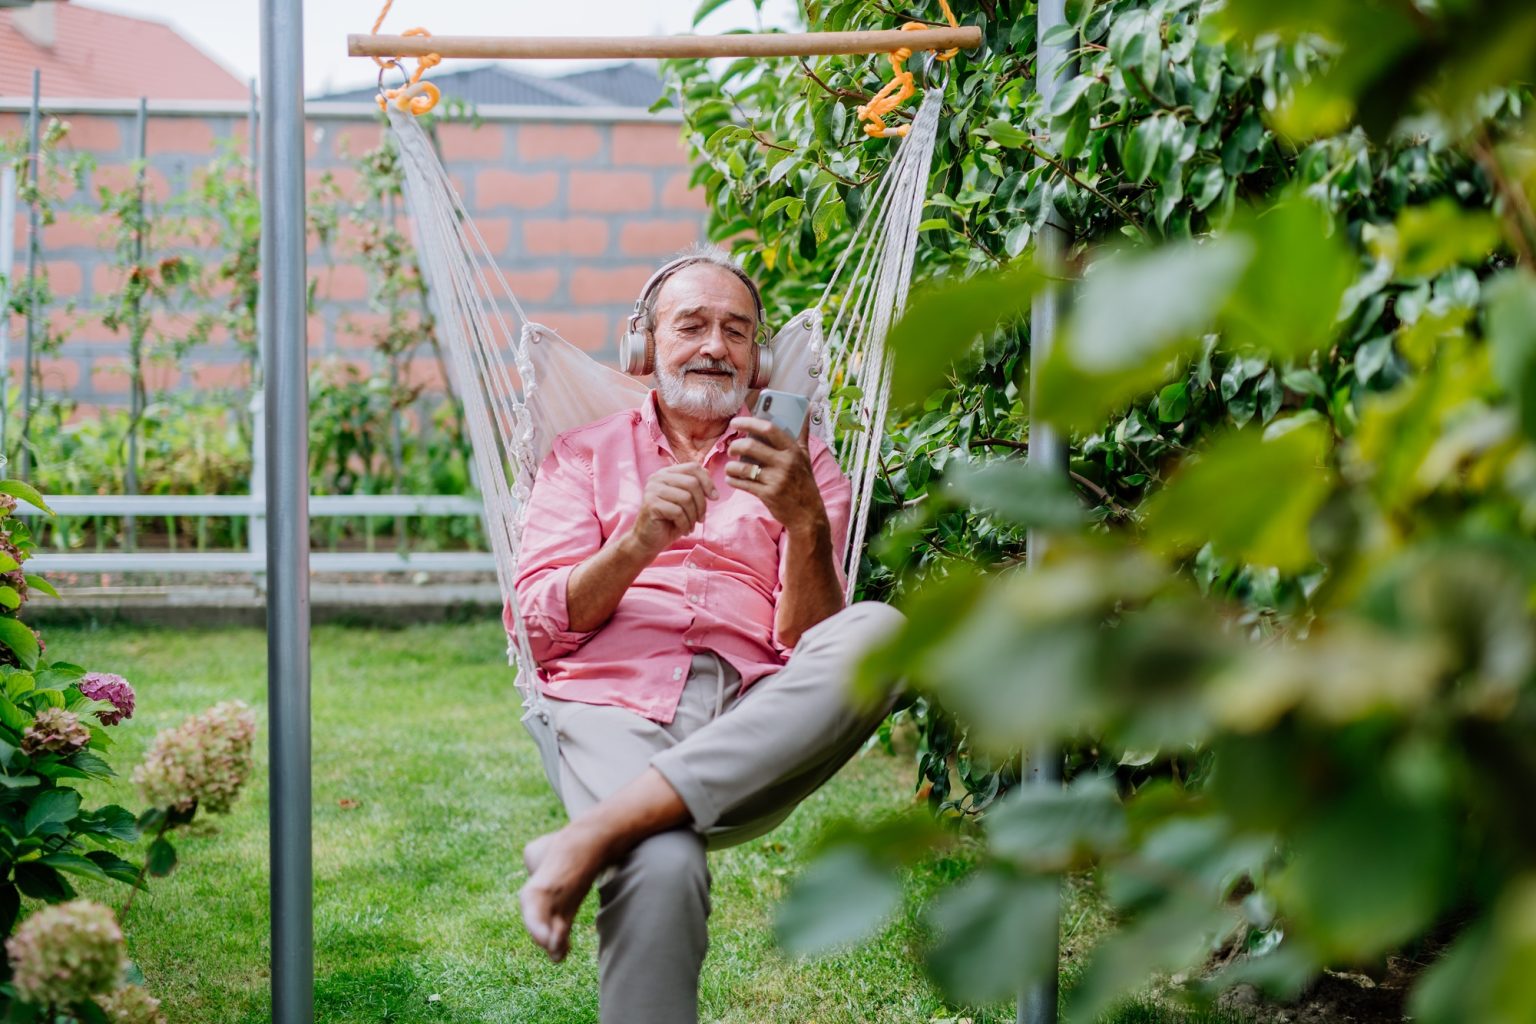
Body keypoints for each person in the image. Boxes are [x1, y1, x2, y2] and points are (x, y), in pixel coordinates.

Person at [511, 244, 905, 1023]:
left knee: (881, 631)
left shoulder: (800, 464)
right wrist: (634, 544)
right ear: (644, 346)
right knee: (661, 864)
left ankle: (596, 831)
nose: (716, 347)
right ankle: (631, 828)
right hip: (613, 704)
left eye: (737, 330)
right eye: (691, 325)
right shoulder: (583, 456)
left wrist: (804, 523)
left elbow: (809, 644)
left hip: (752, 719)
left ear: (761, 360)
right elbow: (537, 629)